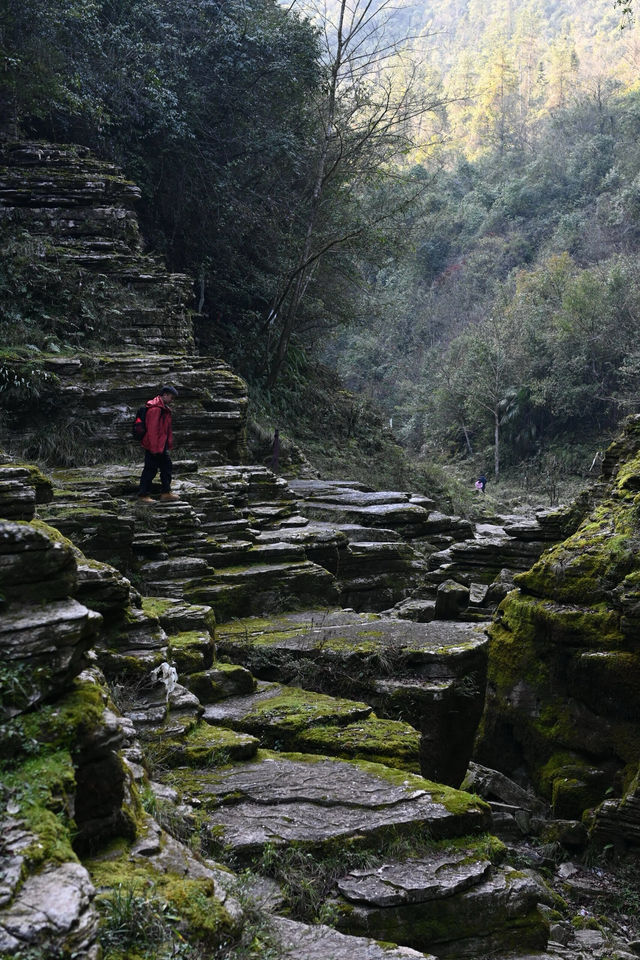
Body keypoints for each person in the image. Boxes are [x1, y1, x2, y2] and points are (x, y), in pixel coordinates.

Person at [138, 385, 180, 502]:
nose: (172, 400)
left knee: (166, 467)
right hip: (154, 446)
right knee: (150, 469)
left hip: (160, 445)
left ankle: (166, 493)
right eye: (171, 397)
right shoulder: (155, 408)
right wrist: (154, 447)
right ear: (165, 395)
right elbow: (152, 430)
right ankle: (143, 495)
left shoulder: (162, 408)